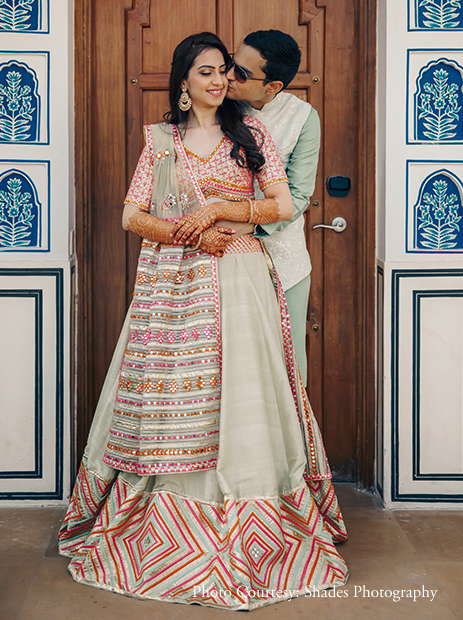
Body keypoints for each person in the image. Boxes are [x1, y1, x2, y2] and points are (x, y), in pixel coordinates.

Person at [59, 32, 348, 610]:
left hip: (241, 279)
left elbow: (282, 204)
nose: (219, 81)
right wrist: (188, 234)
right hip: (174, 286)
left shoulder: (251, 133)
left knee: (242, 395)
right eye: (206, 72)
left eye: (224, 71)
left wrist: (220, 209)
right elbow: (131, 215)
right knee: (176, 394)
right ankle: (164, 524)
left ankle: (253, 521)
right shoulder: (162, 140)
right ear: (185, 82)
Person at [226, 30, 320, 386]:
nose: (228, 76)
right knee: (232, 365)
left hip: (283, 259)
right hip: (222, 253)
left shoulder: (303, 118)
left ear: (273, 87)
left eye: (242, 74)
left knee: (286, 367)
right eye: (232, 64)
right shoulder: (217, 106)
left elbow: (298, 195)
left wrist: (250, 225)